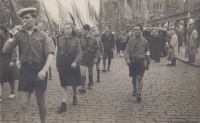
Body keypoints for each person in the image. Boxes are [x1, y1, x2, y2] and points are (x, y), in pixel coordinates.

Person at [3, 8, 54, 123]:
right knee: (23, 105)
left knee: (41, 103)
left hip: (39, 69)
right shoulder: (19, 34)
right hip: (25, 70)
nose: (24, 20)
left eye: (27, 18)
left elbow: (50, 54)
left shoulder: (43, 35)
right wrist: (12, 36)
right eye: (23, 18)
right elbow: (5, 50)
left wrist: (44, 70)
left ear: (34, 19)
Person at [56, 22, 82, 113]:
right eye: (65, 28)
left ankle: (74, 96)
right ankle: (63, 103)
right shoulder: (60, 39)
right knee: (63, 83)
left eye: (68, 28)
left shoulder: (76, 40)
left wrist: (75, 62)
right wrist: (57, 65)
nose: (67, 30)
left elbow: (79, 53)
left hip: (72, 62)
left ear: (72, 29)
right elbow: (58, 53)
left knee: (74, 82)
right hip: (63, 63)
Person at [124, 25, 151, 102]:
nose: (136, 31)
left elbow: (147, 52)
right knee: (133, 77)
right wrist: (127, 59)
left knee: (139, 77)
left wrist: (148, 62)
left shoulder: (145, 42)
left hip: (141, 61)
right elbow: (127, 51)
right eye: (135, 30)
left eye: (138, 30)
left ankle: (139, 94)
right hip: (132, 61)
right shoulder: (130, 41)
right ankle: (134, 89)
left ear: (141, 31)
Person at [79, 24, 100, 93]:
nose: (81, 31)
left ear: (87, 30)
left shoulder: (93, 39)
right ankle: (83, 86)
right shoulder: (81, 39)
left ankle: (90, 83)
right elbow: (78, 49)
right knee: (83, 71)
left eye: (83, 30)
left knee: (90, 71)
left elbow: (97, 49)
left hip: (91, 56)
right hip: (83, 56)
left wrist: (96, 58)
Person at [0, 24, 19, 101]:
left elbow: (14, 50)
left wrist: (12, 61)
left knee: (11, 77)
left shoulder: (9, 37)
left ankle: (12, 92)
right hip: (0, 59)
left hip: (8, 59)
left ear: (2, 30)